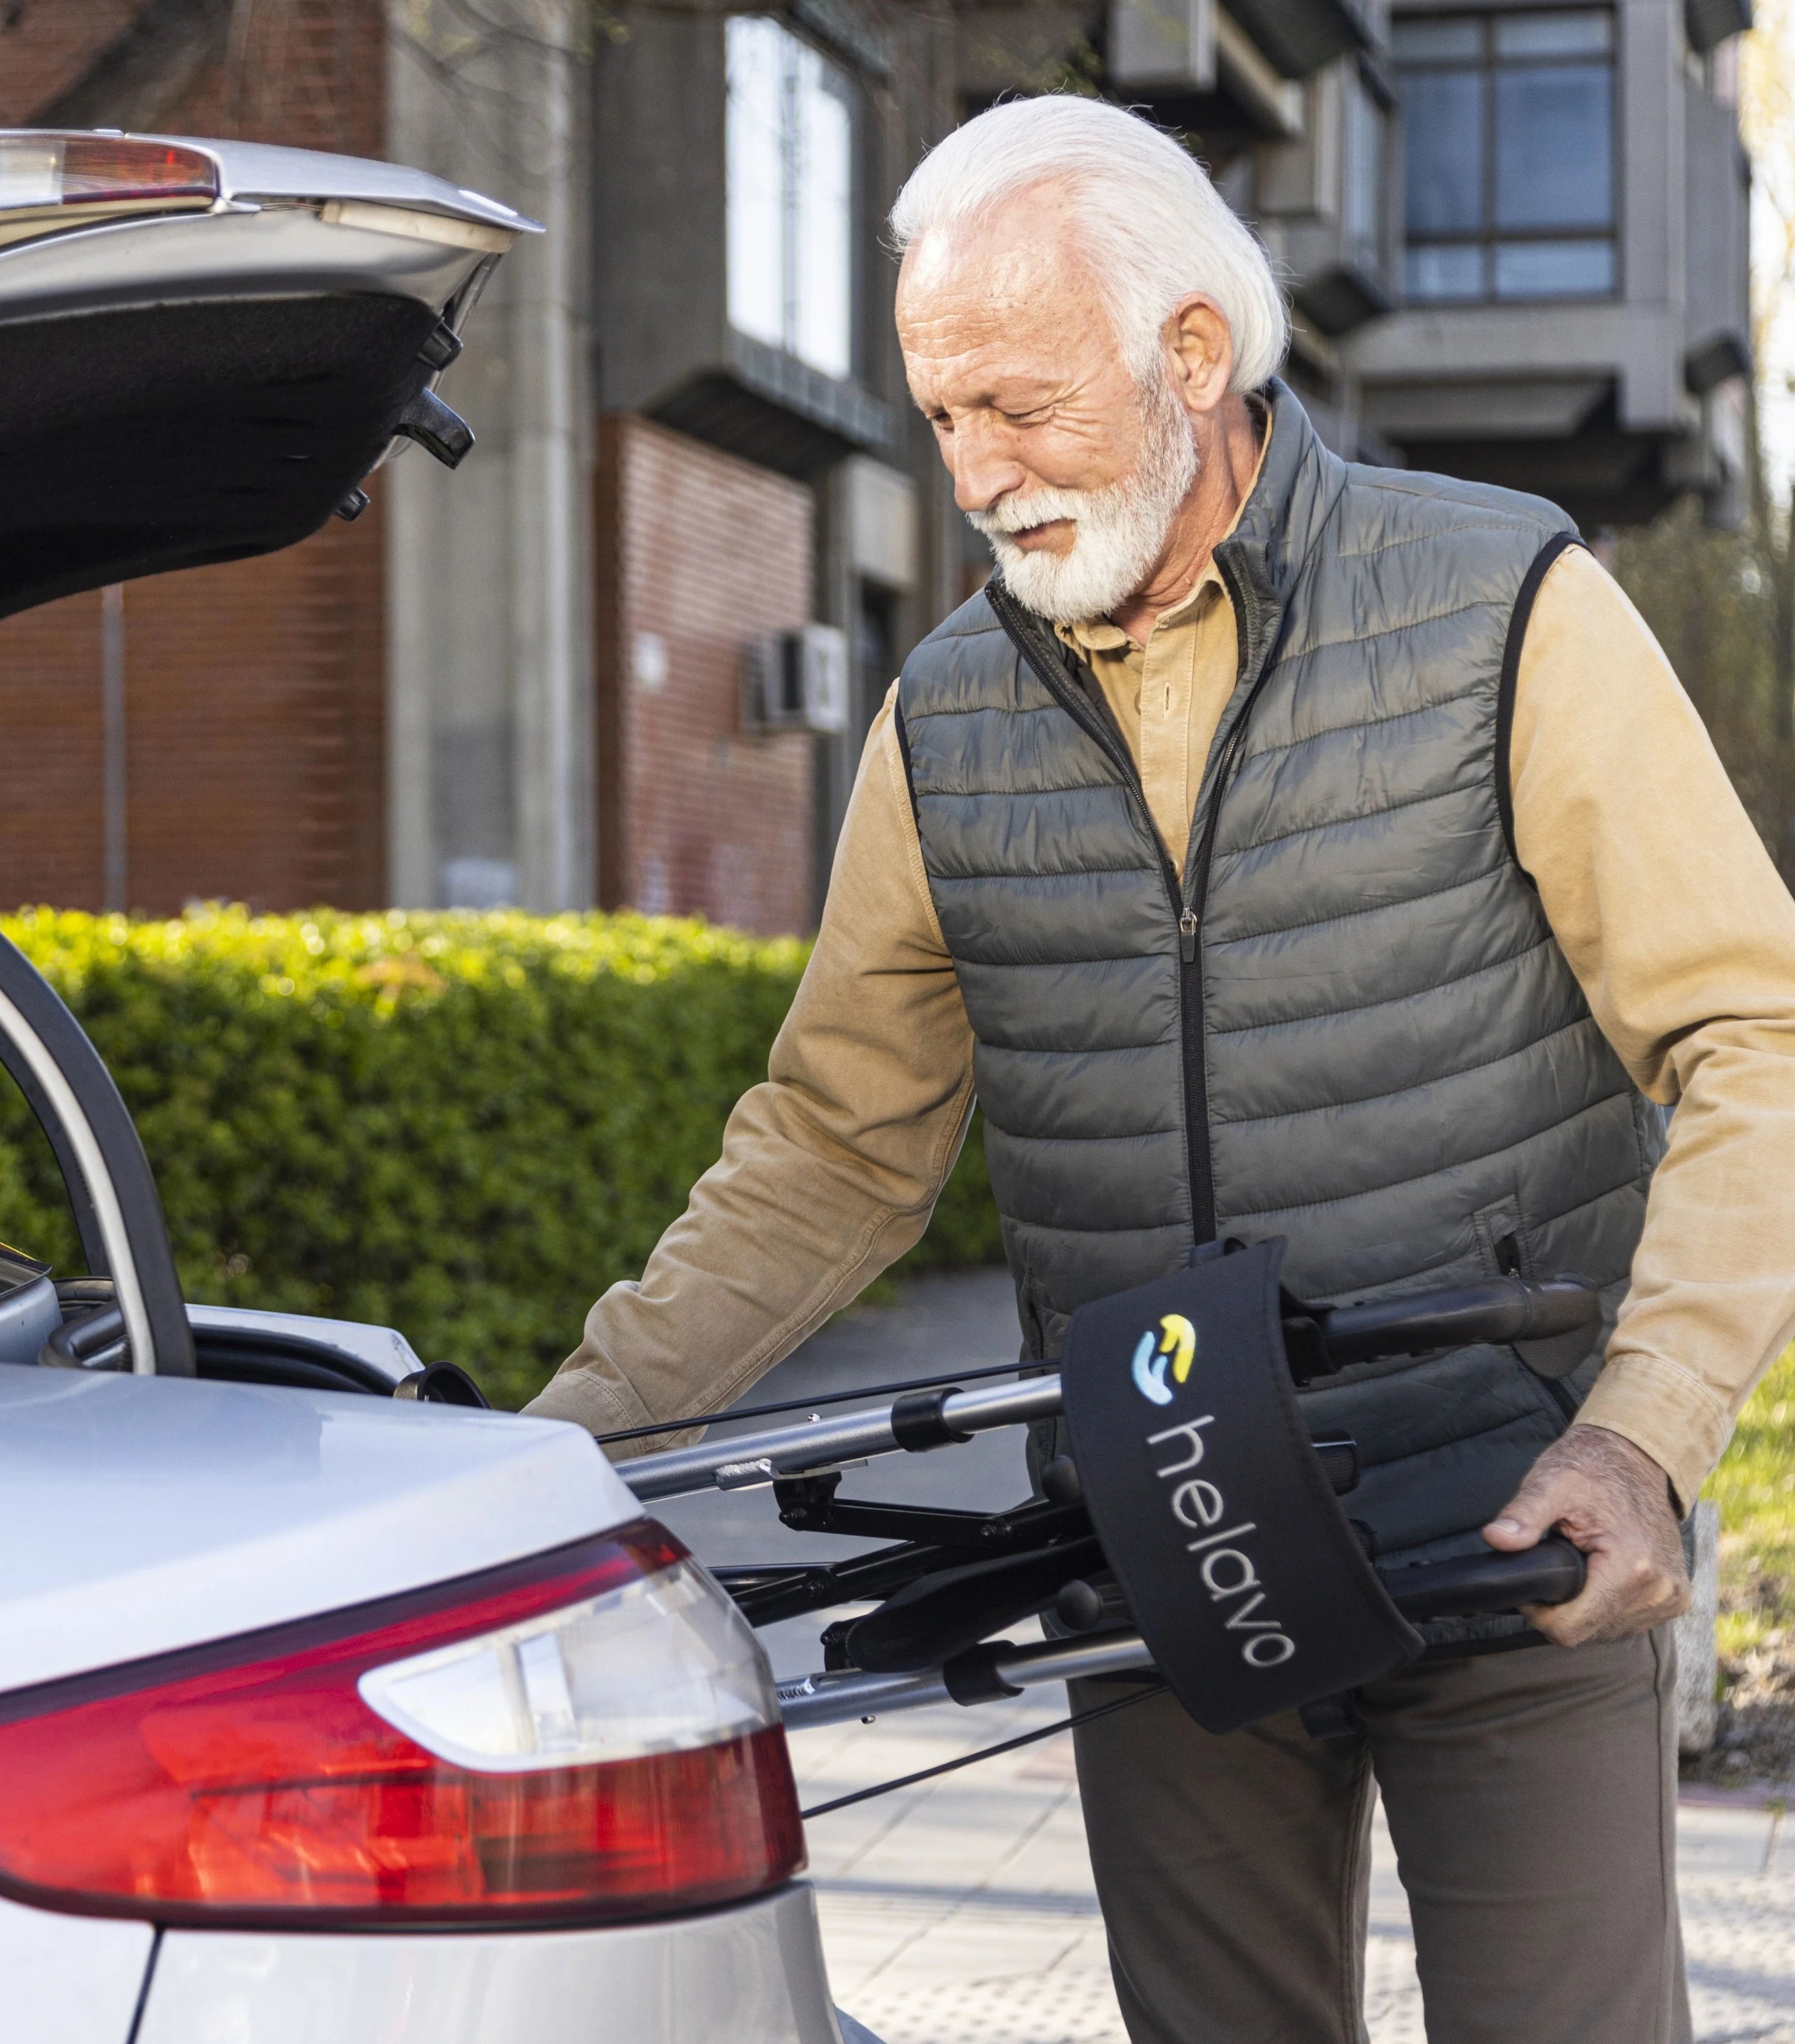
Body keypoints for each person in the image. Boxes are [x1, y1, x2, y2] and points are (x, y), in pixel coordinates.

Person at [529, 95, 1795, 2043]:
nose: (976, 473)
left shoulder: (1502, 607)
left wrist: (1644, 1432)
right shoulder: (944, 721)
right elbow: (831, 1148)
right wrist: (560, 1445)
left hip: (1511, 1509)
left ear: (1193, 353)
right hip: (1164, 1532)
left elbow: (1754, 1033)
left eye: (1021, 406)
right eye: (944, 419)